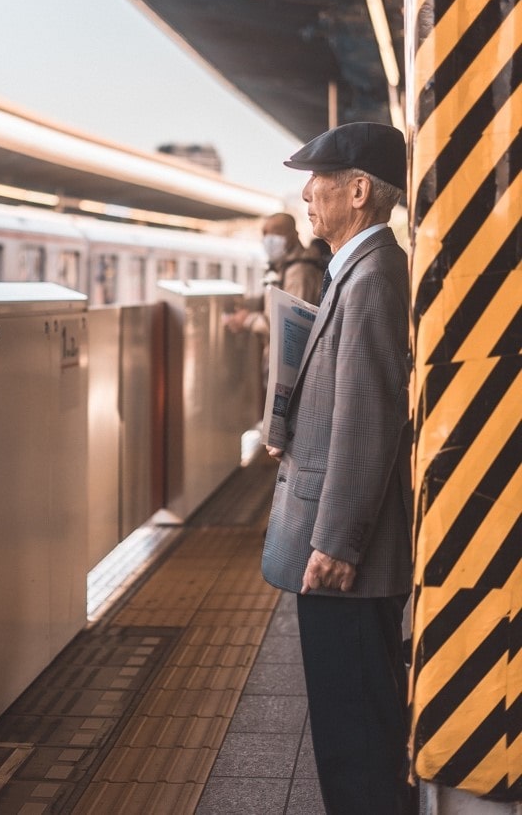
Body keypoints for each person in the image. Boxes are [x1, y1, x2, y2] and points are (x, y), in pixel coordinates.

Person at [261, 122, 414, 815]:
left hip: (344, 558)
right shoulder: (356, 268)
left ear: (357, 190)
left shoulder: (374, 276)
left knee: (355, 737)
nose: (306, 194)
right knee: (351, 723)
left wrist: (337, 543)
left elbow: (369, 422)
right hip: (337, 544)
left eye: (318, 181)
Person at [224, 211, 325, 388]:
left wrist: (247, 320)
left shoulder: (299, 272)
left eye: (275, 233)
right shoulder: (284, 267)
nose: (267, 239)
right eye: (264, 233)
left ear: (293, 236)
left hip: (292, 371)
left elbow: (290, 326)